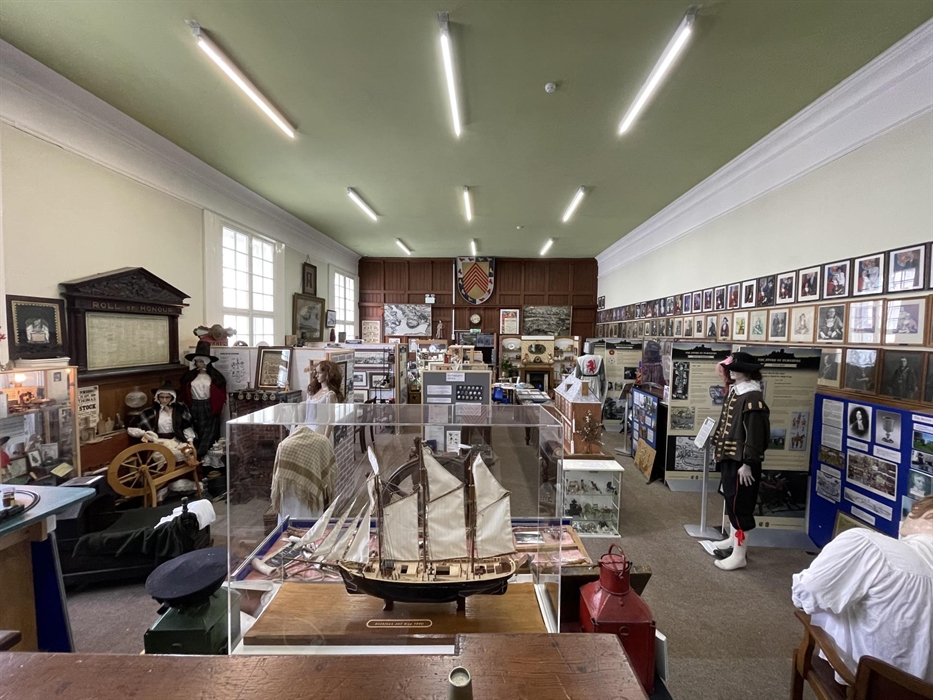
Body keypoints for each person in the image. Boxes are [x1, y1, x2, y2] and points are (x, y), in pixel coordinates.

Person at [791, 496, 933, 684]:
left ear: (930, 515)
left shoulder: (868, 544)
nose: (903, 519)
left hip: (868, 683)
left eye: (908, 514)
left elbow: (805, 595)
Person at [707, 352, 770, 571]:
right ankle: (734, 539)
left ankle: (740, 554)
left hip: (742, 462)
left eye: (736, 368)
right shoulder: (737, 392)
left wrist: (749, 463)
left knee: (741, 505)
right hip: (730, 456)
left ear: (748, 371)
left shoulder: (752, 398)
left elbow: (755, 435)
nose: (731, 371)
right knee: (732, 500)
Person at [179, 341, 227, 459]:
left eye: (201, 361)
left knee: (209, 432)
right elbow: (185, 391)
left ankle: (205, 457)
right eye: (197, 361)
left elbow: (220, 393)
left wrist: (216, 407)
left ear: (207, 362)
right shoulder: (190, 376)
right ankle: (195, 454)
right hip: (194, 405)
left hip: (209, 406)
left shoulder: (215, 377)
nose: (199, 363)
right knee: (195, 430)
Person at [134, 381, 196, 445]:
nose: (164, 400)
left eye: (167, 397)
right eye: (161, 397)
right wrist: (145, 434)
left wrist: (190, 442)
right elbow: (133, 427)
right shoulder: (150, 412)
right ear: (157, 397)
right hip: (158, 442)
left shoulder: (179, 410)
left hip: (176, 440)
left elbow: (186, 426)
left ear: (172, 397)